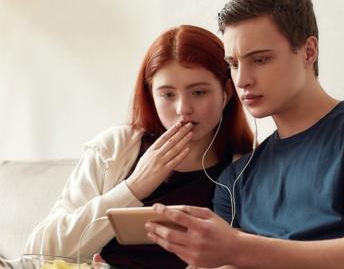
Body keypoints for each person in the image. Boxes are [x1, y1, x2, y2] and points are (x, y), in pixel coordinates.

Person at [144, 0, 344, 268]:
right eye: (233, 64)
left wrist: (237, 247)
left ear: (309, 51)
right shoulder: (235, 180)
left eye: (260, 60)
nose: (242, 80)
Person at [24, 24, 254, 269]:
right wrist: (133, 188)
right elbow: (38, 252)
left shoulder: (248, 166)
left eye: (198, 92)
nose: (182, 109)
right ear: (151, 95)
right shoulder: (115, 148)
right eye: (167, 95)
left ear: (226, 93)